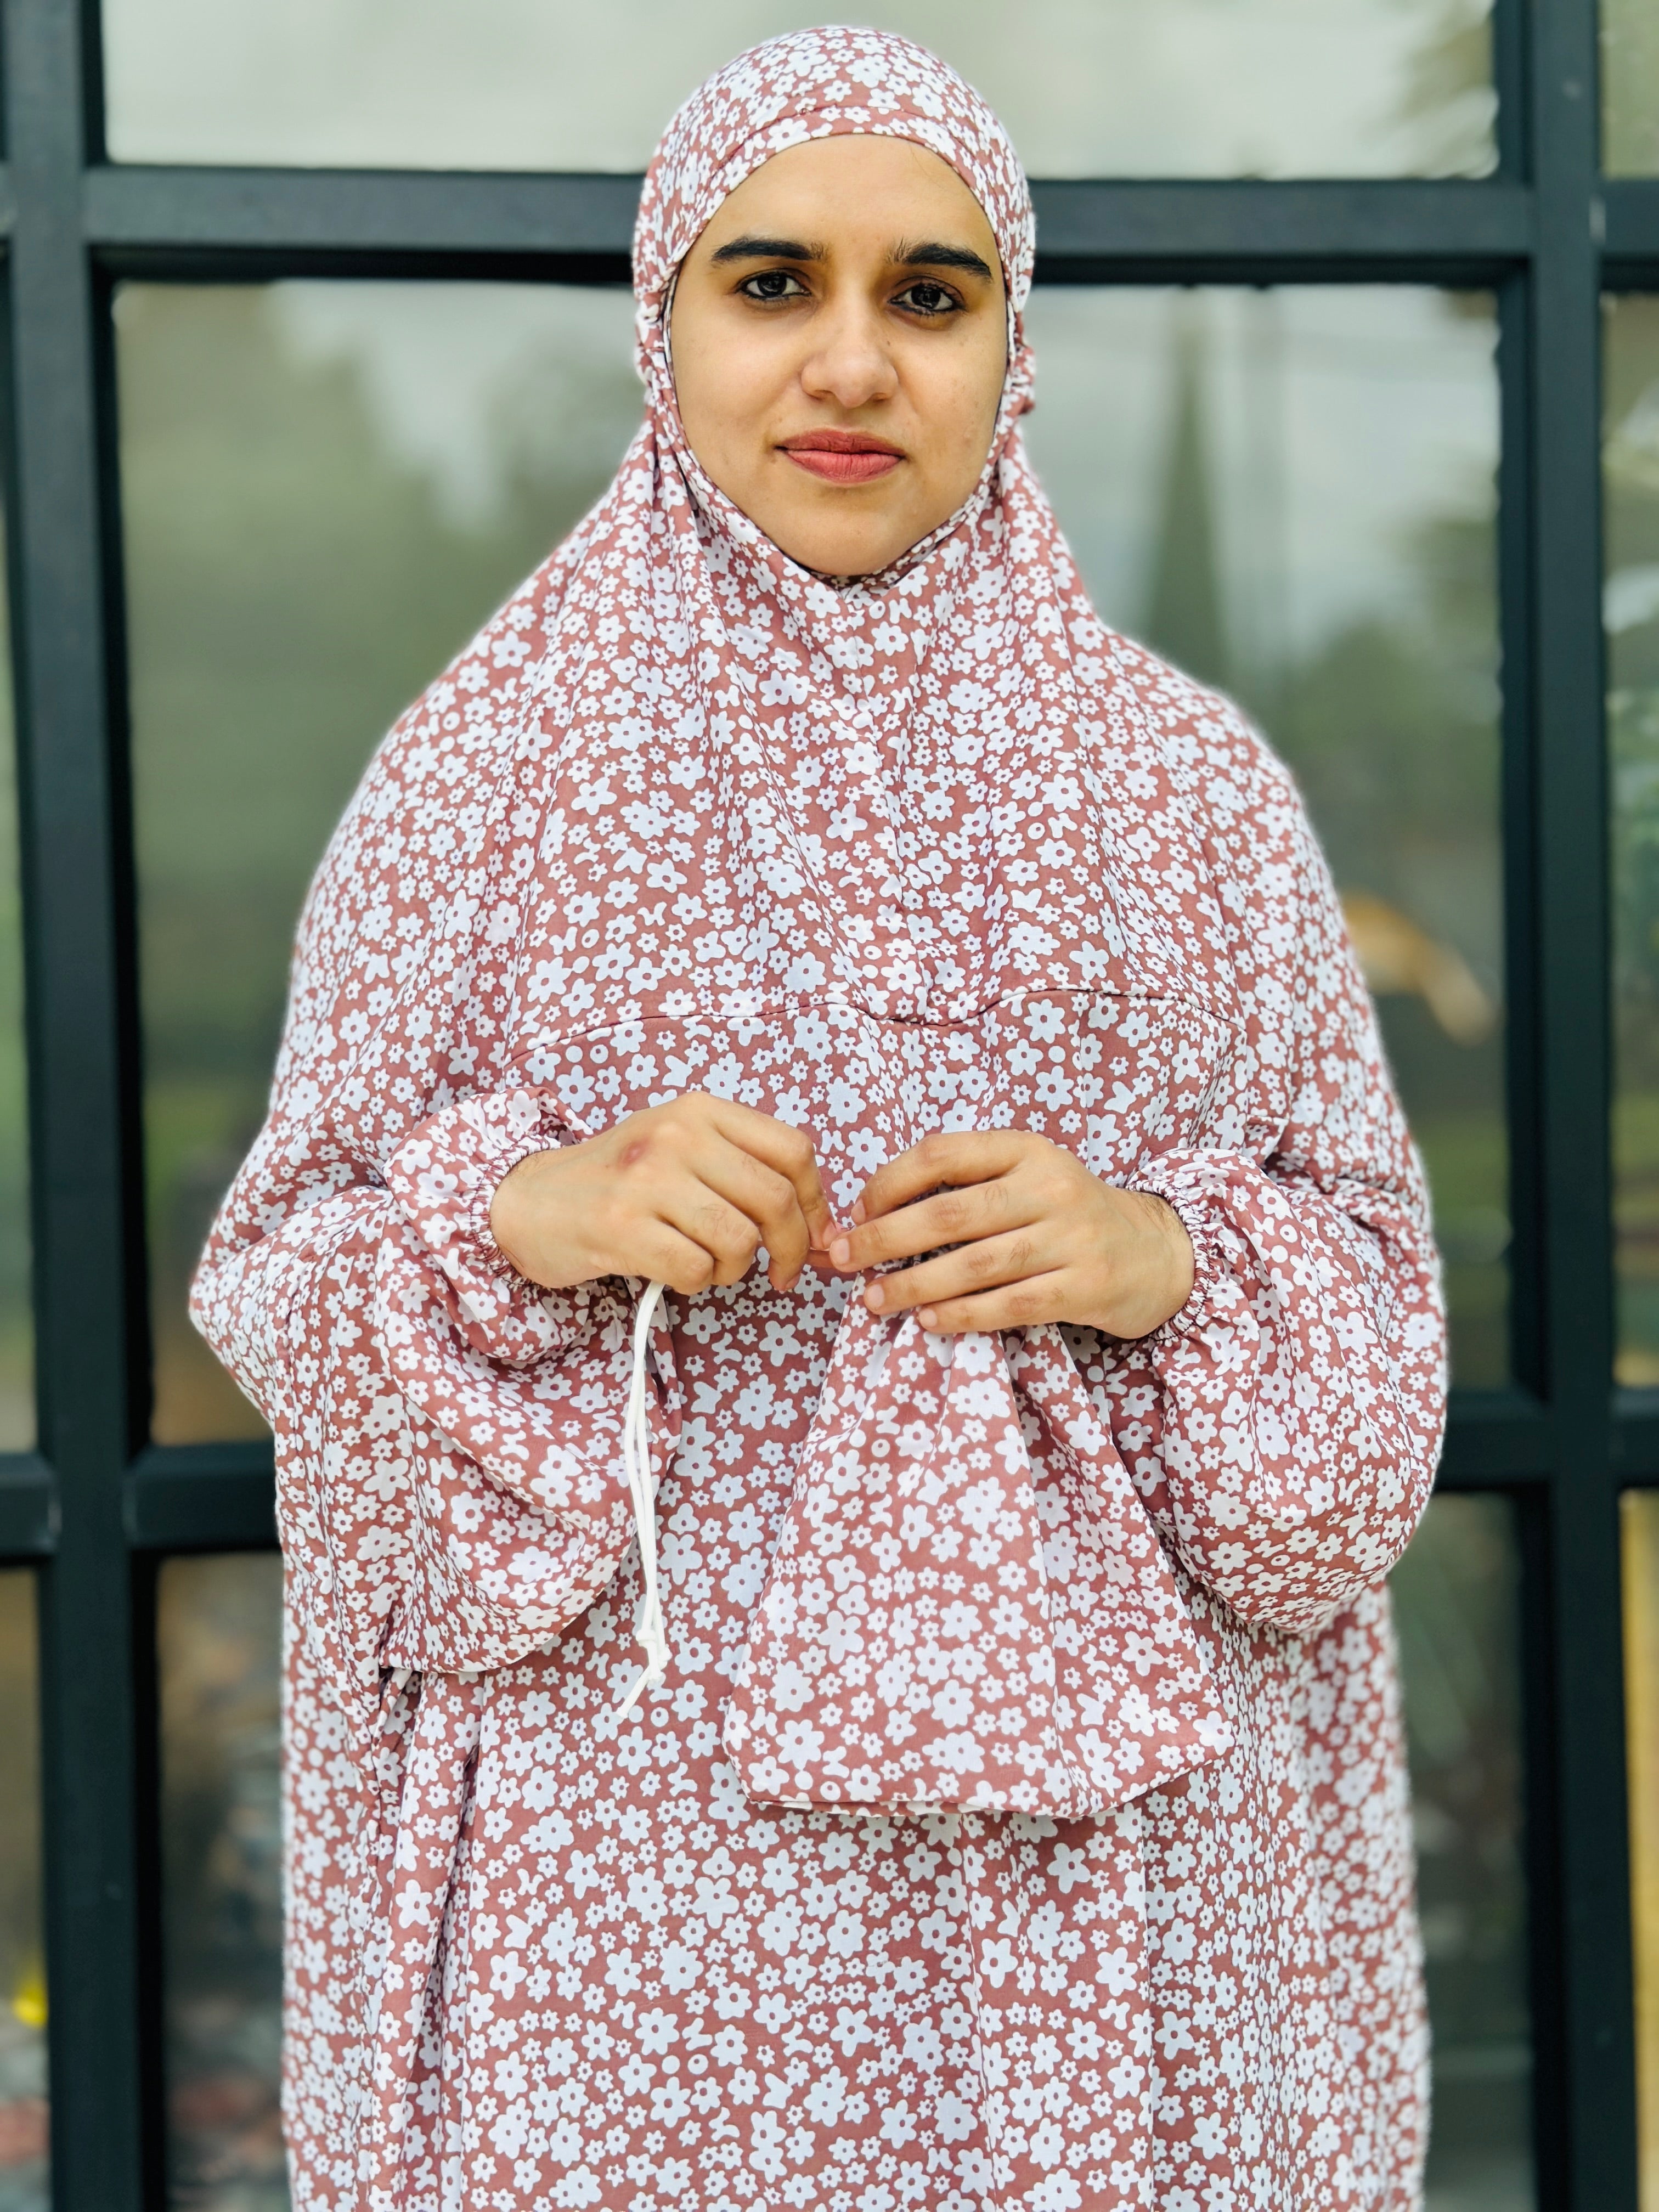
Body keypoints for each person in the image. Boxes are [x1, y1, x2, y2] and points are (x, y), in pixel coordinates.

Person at [193, 26, 1446, 2212]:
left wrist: (1159, 1261)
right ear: (661, 323)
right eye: (771, 284)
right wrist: (534, 1212)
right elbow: (282, 1286)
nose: (850, 363)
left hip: (1100, 1907)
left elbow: (1376, 1322)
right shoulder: (480, 786)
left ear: (1009, 349)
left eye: (928, 295)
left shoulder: (1192, 802)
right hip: (636, 1915)